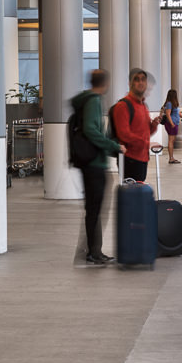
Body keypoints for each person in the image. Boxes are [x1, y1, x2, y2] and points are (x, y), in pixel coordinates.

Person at [70, 69, 122, 265]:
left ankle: (92, 249)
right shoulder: (94, 100)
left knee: (93, 208)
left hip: (88, 162)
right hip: (94, 163)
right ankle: (93, 252)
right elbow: (91, 130)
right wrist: (114, 146)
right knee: (95, 208)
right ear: (105, 83)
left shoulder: (86, 100)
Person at [110, 68, 155, 183]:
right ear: (130, 83)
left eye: (143, 80)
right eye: (137, 80)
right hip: (129, 159)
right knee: (130, 197)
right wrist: (145, 143)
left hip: (142, 157)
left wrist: (154, 124)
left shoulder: (143, 105)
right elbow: (124, 134)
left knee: (138, 195)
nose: (140, 83)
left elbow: (146, 132)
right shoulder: (123, 106)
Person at [160, 90, 182, 164]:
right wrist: (172, 123)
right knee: (171, 140)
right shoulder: (169, 103)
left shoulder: (173, 103)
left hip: (174, 123)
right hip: (171, 124)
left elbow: (177, 113)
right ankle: (171, 158)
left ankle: (172, 157)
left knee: (172, 140)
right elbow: (168, 114)